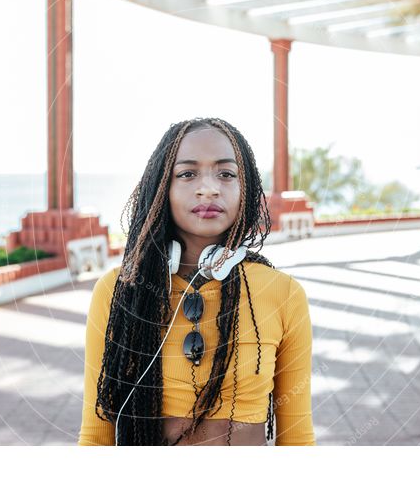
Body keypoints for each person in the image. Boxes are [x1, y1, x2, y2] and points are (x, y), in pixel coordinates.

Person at [77, 117, 315, 446]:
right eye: (187, 173)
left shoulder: (283, 293)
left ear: (245, 189)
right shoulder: (119, 291)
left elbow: (298, 438)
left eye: (226, 174)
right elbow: (95, 435)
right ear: (162, 187)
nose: (209, 188)